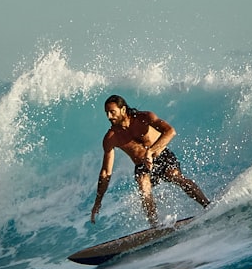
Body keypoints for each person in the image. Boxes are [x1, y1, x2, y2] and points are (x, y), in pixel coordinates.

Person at [90, 94, 210, 227]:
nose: (109, 117)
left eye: (112, 112)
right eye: (107, 113)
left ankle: (207, 205)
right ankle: (155, 226)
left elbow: (170, 131)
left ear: (123, 110)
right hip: (142, 166)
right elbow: (106, 172)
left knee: (175, 176)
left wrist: (151, 151)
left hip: (161, 156)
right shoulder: (111, 138)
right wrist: (98, 201)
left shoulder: (144, 118)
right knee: (143, 186)